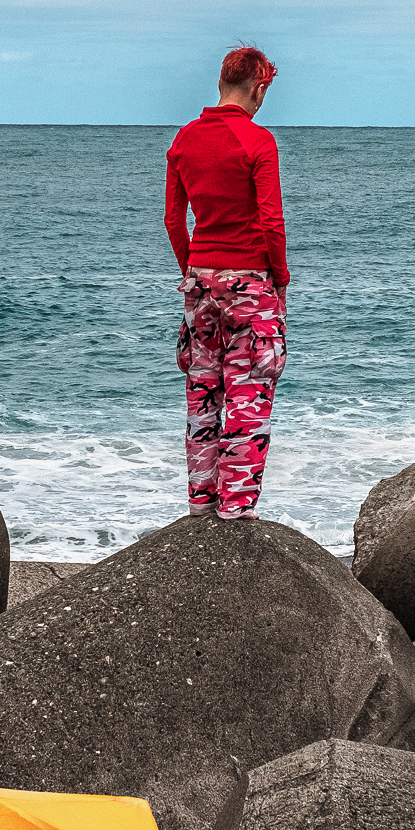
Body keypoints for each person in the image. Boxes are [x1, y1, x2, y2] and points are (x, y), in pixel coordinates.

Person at [164, 45, 289, 521]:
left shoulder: (184, 140)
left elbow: (174, 221)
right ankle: (235, 505)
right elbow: (271, 221)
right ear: (258, 88)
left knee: (203, 389)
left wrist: (191, 270)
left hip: (199, 280)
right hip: (250, 282)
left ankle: (200, 498)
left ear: (221, 83)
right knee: (249, 391)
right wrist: (280, 279)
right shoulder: (258, 141)